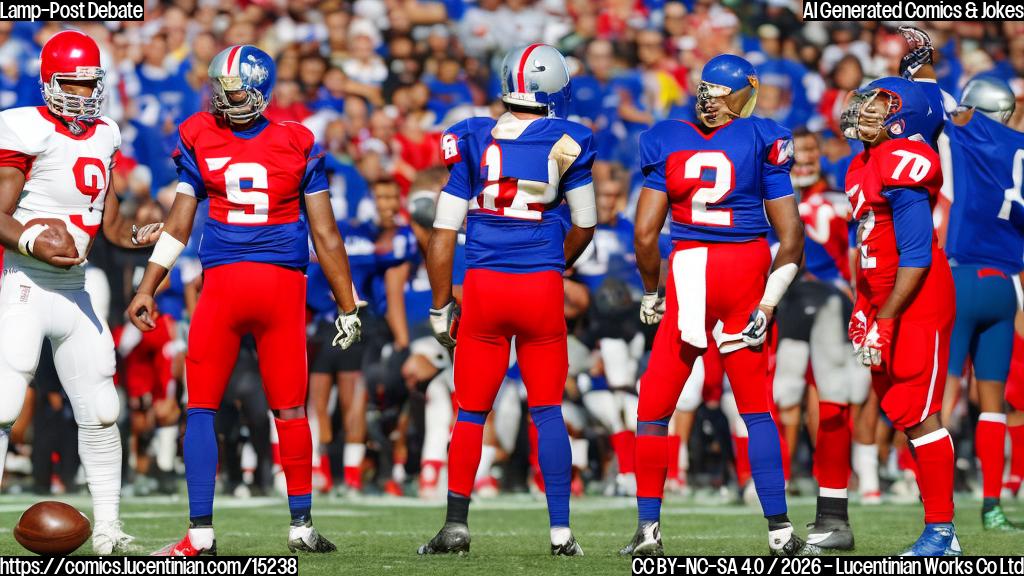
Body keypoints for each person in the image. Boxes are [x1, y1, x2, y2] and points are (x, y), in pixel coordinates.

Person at [127, 45, 363, 555]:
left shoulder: (203, 133)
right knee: (283, 409)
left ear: (258, 86)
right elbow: (327, 237)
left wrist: (149, 285)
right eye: (221, 89)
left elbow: (179, 226)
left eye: (233, 89)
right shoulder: (298, 140)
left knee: (215, 409)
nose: (225, 98)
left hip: (227, 289)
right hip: (280, 289)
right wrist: (348, 303)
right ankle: (294, 526)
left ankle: (201, 536)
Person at [621, 54, 808, 557]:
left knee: (654, 409)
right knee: (756, 410)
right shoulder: (763, 136)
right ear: (742, 93)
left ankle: (648, 531)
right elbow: (791, 239)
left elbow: (644, 235)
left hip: (689, 269)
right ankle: (780, 532)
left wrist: (650, 291)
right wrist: (767, 303)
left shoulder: (666, 137)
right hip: (746, 267)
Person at [418, 43, 595, 557]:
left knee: (470, 412)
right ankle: (561, 533)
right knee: (547, 410)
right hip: (539, 283)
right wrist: (553, 264)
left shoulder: (472, 135)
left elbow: (443, 233)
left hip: (485, 285)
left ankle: (455, 526)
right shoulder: (570, 138)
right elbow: (584, 224)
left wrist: (437, 304)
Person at [0, 30, 165, 554]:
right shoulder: (23, 126)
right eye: (70, 84)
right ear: (49, 82)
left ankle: (110, 530)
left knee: (101, 407)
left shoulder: (106, 133)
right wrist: (30, 239)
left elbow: (108, 221)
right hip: (25, 280)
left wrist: (136, 238)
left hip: (76, 289)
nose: (81, 95)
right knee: (4, 404)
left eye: (89, 84)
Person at [841, 76, 960, 555]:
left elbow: (915, 255)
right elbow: (868, 251)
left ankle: (942, 532)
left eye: (878, 106)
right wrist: (861, 306)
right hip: (885, 296)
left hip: (918, 298)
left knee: (920, 413)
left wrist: (884, 316)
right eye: (866, 104)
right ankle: (938, 528)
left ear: (902, 118)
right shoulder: (859, 164)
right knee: (900, 411)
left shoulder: (902, 161)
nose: (864, 112)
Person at [939, 75, 1024, 530]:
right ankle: (993, 507)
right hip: (1005, 283)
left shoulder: (968, 133)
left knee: (944, 395)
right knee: (993, 403)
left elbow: (944, 108)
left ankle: (931, 500)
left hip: (964, 274)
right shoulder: (1020, 147)